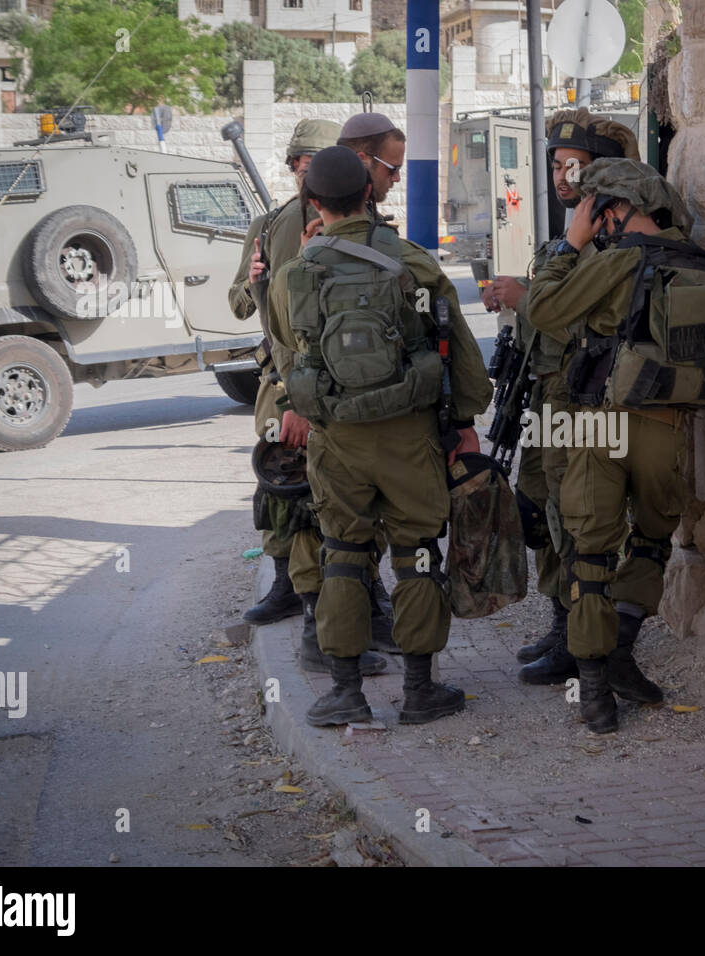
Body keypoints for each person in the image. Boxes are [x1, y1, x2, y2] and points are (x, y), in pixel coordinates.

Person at [267, 146, 494, 727]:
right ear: (369, 193)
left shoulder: (296, 274)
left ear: (312, 202)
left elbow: (290, 355)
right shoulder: (413, 262)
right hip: (409, 434)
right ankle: (420, 691)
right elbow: (461, 353)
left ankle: (346, 693)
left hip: (336, 438)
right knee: (417, 553)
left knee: (343, 553)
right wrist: (465, 423)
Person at [527, 158, 701, 734]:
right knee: (651, 542)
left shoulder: (616, 257)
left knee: (592, 555)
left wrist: (569, 246)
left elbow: (544, 310)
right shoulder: (699, 260)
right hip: (668, 427)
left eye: (595, 209)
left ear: (613, 208)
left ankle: (596, 689)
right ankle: (623, 650)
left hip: (599, 423)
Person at [480, 109, 638, 687]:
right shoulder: (569, 234)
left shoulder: (610, 239)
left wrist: (528, 298)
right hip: (546, 395)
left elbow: (595, 329)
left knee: (575, 518)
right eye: (556, 164)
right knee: (542, 509)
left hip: (582, 400)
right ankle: (561, 618)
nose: (564, 175)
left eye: (576, 164)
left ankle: (582, 639)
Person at [229, 119, 390, 676]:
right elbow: (248, 308)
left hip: (338, 389)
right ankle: (302, 609)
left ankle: (364, 607)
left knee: (351, 506)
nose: (308, 174)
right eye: (302, 164)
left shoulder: (358, 224)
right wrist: (252, 280)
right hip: (286, 386)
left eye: (316, 163)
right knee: (293, 504)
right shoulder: (270, 226)